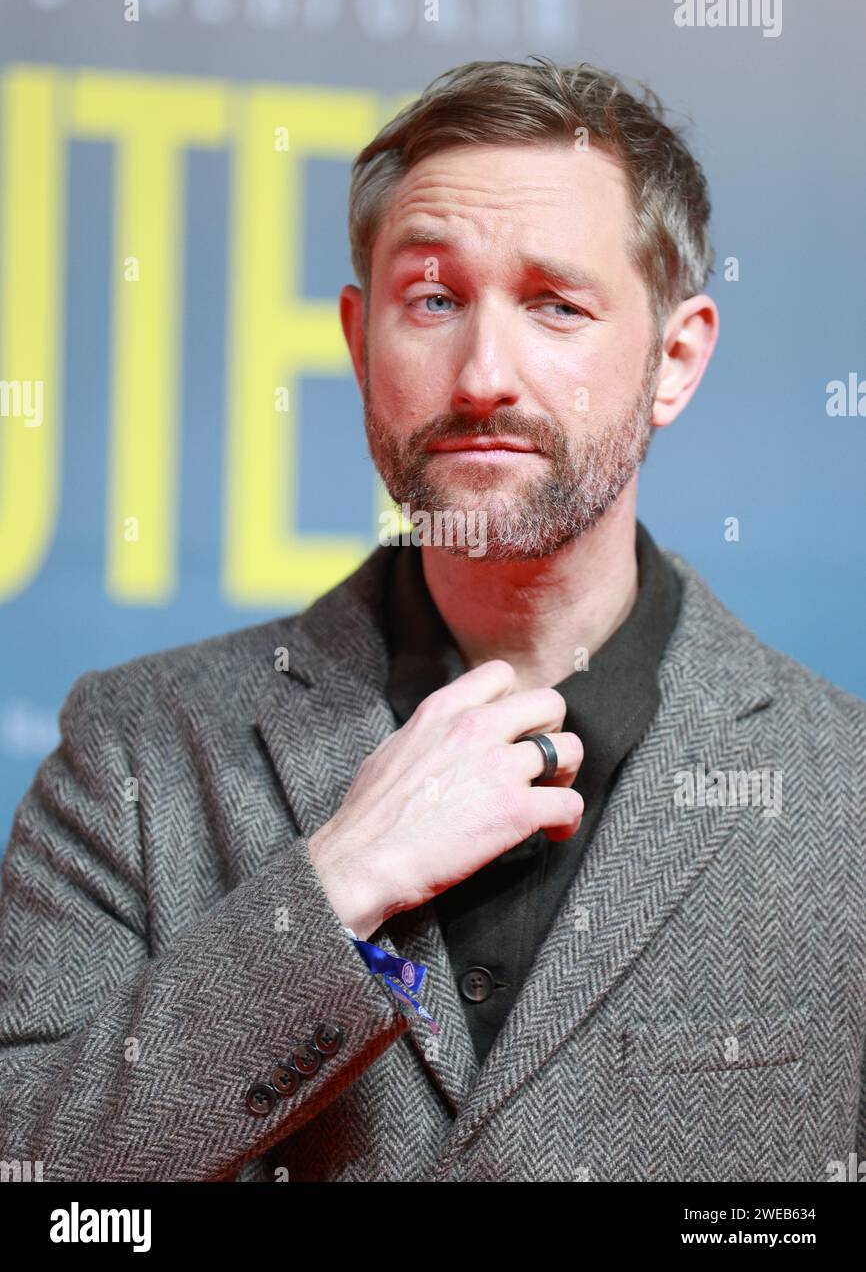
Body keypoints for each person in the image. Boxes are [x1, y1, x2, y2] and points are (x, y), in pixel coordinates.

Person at [1, 57, 864, 1183]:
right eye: (433, 300)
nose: (480, 375)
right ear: (359, 344)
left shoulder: (842, 792)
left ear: (674, 358)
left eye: (555, 305)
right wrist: (330, 887)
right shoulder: (135, 749)